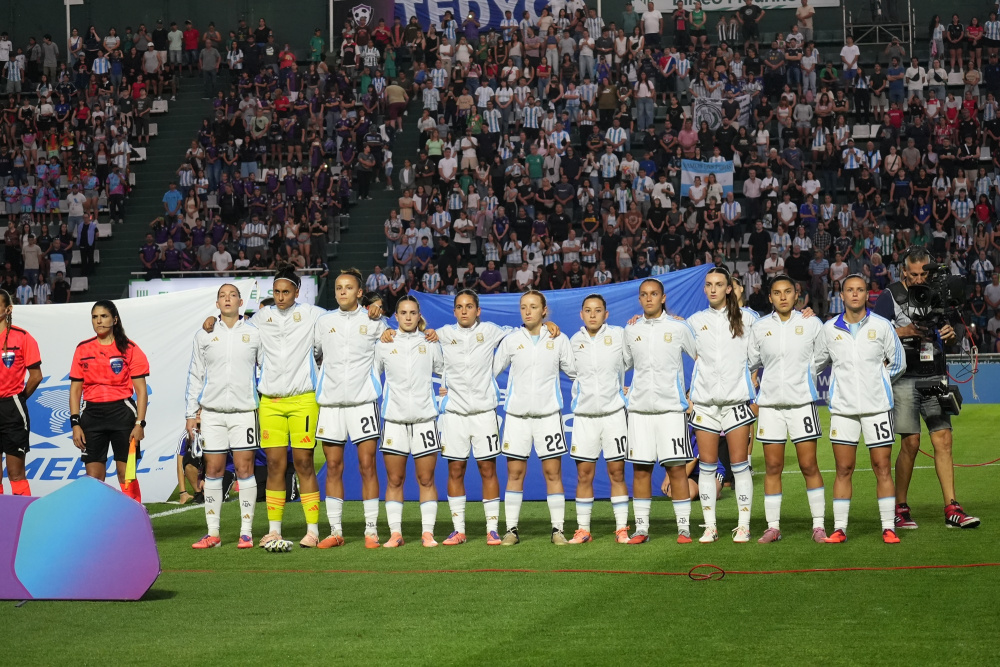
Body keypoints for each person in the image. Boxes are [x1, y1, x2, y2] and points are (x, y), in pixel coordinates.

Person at [430, 290, 558, 546]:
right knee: (455, 470)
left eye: (469, 307)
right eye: (459, 307)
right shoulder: (442, 334)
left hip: (484, 414)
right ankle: (459, 530)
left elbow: (525, 330)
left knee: (487, 470)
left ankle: (492, 529)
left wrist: (547, 325)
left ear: (478, 311)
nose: (464, 311)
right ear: (454, 311)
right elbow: (418, 337)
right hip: (454, 414)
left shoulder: (492, 331)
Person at [872, 247, 981, 529]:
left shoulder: (939, 293)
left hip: (935, 375)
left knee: (943, 440)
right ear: (904, 271)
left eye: (924, 273)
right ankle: (900, 507)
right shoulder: (890, 296)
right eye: (915, 273)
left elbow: (954, 333)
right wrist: (902, 332)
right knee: (911, 443)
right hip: (905, 377)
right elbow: (872, 334)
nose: (920, 279)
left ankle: (952, 508)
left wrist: (951, 333)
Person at [814, 274, 906, 544]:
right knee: (843, 468)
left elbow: (898, 362)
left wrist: (878, 384)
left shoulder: (883, 326)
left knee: (882, 467)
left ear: (868, 294)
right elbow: (815, 364)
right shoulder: (829, 329)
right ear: (841, 295)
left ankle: (888, 527)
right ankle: (840, 528)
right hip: (843, 410)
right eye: (850, 290)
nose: (855, 294)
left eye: (860, 290)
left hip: (877, 408)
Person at [748, 275, 827, 543]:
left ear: (796, 295)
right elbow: (751, 360)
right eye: (777, 293)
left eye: (788, 292)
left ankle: (818, 526)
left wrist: (806, 375)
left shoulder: (811, 323)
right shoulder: (759, 328)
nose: (783, 297)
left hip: (802, 404)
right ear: (769, 297)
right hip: (770, 406)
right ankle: (773, 527)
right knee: (772, 466)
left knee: (808, 465)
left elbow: (824, 355)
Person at [313, 269, 389, 548]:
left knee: (367, 466)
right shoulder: (324, 322)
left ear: (359, 293)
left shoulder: (374, 322)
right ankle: (335, 531)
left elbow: (396, 334)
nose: (342, 291)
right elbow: (316, 353)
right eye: (338, 288)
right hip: (331, 405)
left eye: (348, 288)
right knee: (333, 466)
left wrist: (380, 307)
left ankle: (371, 531)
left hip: (363, 403)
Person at [493, 290, 576, 545]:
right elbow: (490, 373)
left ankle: (558, 530)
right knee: (515, 473)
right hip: (517, 418)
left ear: (544, 310)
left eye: (533, 307)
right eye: (523, 307)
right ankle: (511, 530)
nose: (527, 311)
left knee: (553, 473)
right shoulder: (510, 340)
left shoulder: (559, 339)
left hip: (549, 416)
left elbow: (576, 372)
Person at [620, 281, 699, 544]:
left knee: (677, 469)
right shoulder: (631, 330)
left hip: (671, 411)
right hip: (640, 411)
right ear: (639, 299)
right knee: (641, 471)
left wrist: (693, 394)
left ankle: (684, 528)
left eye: (654, 294)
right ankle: (641, 529)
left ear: (663, 297)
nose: (649, 298)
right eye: (644, 295)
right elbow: (623, 364)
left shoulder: (678, 327)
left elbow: (702, 357)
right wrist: (625, 391)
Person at [186, 284, 262, 550]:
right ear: (216, 304)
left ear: (241, 302)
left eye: (232, 295)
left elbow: (265, 367)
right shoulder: (204, 334)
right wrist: (191, 413)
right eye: (222, 296)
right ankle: (213, 533)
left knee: (244, 470)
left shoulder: (254, 333)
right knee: (214, 470)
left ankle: (246, 533)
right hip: (212, 414)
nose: (227, 299)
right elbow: (196, 375)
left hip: (244, 412)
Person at [687, 267, 758, 543]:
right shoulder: (693, 322)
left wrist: (806, 314)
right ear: (704, 289)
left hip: (736, 402)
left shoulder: (750, 319)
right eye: (709, 285)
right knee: (707, 466)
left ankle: (743, 526)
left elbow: (768, 341)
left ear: (730, 288)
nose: (713, 289)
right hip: (704, 405)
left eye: (719, 284)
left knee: (739, 466)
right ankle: (710, 526)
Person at [373, 295, 443, 548]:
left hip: (425, 419)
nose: (408, 317)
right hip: (393, 420)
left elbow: (446, 372)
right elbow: (371, 375)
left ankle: (427, 533)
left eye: (413, 313)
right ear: (397, 316)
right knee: (395, 480)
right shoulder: (384, 344)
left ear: (419, 315)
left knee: (426, 479)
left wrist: (441, 398)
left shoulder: (430, 342)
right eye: (403, 313)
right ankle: (395, 533)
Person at [69, 300, 149, 501]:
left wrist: (140, 423)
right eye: (95, 317)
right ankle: (98, 525)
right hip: (92, 417)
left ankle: (133, 523)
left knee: (126, 476)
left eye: (103, 316)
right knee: (94, 478)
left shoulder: (130, 348)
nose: (99, 321)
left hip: (122, 415)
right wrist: (75, 423)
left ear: (115, 319)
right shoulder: (82, 349)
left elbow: (141, 390)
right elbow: (75, 390)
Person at [567, 294, 631, 544]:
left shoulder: (620, 335)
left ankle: (621, 529)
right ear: (581, 315)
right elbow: (570, 371)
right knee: (584, 475)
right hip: (584, 417)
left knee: (617, 473)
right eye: (588, 310)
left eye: (598, 310)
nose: (592, 315)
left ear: (606, 314)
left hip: (614, 415)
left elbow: (637, 353)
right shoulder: (572, 342)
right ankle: (583, 529)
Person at [0, 290, 42, 497]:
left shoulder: (23, 337)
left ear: (8, 309)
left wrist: (19, 397)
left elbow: (36, 376)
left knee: (16, 473)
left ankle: (23, 522)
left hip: (12, 408)